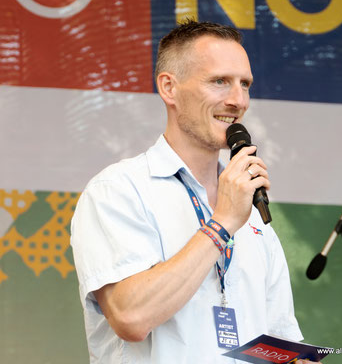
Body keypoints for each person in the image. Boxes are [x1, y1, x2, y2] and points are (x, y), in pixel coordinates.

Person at [71, 20, 320, 363]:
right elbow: (130, 317)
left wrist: (297, 359)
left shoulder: (252, 212)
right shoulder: (118, 189)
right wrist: (222, 224)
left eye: (244, 84)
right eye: (220, 81)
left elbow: (280, 345)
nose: (238, 100)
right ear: (169, 88)